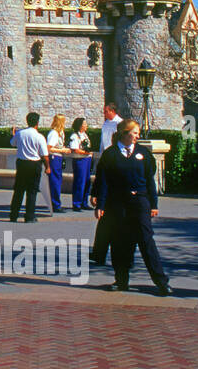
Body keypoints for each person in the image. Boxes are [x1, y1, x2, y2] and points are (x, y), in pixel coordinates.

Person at [92, 119, 172, 295]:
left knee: (146, 240)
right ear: (124, 133)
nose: (137, 136)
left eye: (138, 133)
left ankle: (161, 282)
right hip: (117, 203)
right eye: (134, 132)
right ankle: (121, 280)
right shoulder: (110, 154)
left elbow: (150, 181)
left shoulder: (143, 153)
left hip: (140, 202)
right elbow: (103, 181)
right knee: (120, 242)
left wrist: (153, 203)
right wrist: (101, 204)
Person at [9, 113, 49, 222]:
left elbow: (13, 143)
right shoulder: (39, 137)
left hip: (22, 163)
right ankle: (29, 216)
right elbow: (44, 155)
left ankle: (14, 215)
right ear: (37, 123)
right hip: (34, 164)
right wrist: (47, 167)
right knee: (32, 191)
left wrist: (13, 134)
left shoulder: (20, 133)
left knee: (19, 190)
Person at [44, 114, 68, 214]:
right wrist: (62, 150)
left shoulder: (60, 133)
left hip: (58, 157)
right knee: (55, 181)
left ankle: (56, 202)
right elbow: (48, 147)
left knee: (57, 180)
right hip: (54, 157)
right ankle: (55, 204)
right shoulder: (53, 133)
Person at [67, 117, 92, 211]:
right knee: (79, 181)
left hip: (87, 160)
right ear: (80, 125)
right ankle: (77, 203)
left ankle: (84, 202)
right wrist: (86, 153)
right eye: (84, 124)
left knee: (87, 181)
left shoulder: (84, 135)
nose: (86, 126)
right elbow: (75, 149)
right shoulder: (74, 136)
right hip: (80, 160)